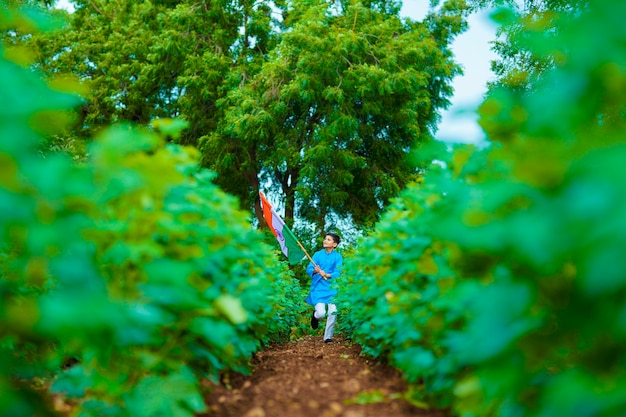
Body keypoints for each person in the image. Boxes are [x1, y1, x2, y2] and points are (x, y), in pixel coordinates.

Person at [305, 232, 342, 343]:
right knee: (321, 313)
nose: (325, 241)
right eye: (325, 239)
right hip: (318, 287)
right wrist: (315, 270)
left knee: (333, 311)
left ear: (334, 244)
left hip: (332, 287)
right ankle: (315, 317)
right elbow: (309, 269)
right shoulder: (317, 255)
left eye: (328, 239)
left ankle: (328, 337)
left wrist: (328, 274)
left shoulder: (338, 257)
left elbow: (339, 272)